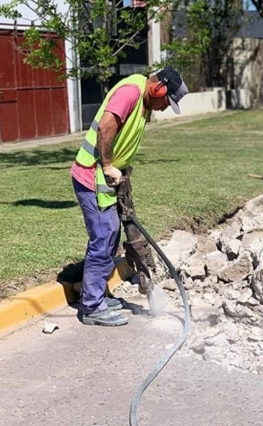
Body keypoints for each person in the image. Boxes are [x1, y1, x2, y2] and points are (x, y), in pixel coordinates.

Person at [70, 67, 188, 326]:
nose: (164, 108)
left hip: (109, 177)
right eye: (166, 102)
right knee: (104, 235)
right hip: (93, 175)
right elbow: (106, 127)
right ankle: (91, 307)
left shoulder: (142, 100)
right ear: (157, 89)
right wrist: (109, 164)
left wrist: (122, 169)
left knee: (110, 238)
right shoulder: (130, 93)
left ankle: (97, 293)